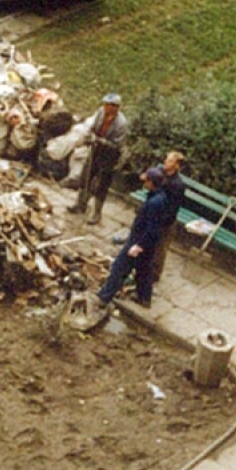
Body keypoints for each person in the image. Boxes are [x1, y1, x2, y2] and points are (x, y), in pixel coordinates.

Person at [96, 165, 171, 310]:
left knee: (119, 268)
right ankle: (144, 298)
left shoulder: (155, 203)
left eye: (146, 181)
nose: (144, 183)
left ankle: (104, 297)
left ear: (151, 183)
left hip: (139, 241)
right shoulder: (159, 197)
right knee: (144, 270)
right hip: (148, 243)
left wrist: (138, 245)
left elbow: (152, 228)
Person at [68, 92, 128, 224]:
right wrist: (90, 135)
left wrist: (100, 140)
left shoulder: (121, 124)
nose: (105, 107)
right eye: (105, 104)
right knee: (86, 176)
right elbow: (94, 127)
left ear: (115, 107)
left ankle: (97, 213)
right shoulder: (101, 112)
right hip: (96, 151)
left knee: (101, 185)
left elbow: (116, 145)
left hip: (110, 156)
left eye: (108, 105)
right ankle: (80, 204)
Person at [145, 151, 188, 288]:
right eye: (166, 159)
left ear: (176, 166)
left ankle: (155, 274)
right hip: (154, 214)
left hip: (165, 219)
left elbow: (173, 207)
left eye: (169, 161)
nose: (165, 162)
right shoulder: (160, 174)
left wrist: (163, 220)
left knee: (160, 247)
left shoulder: (177, 185)